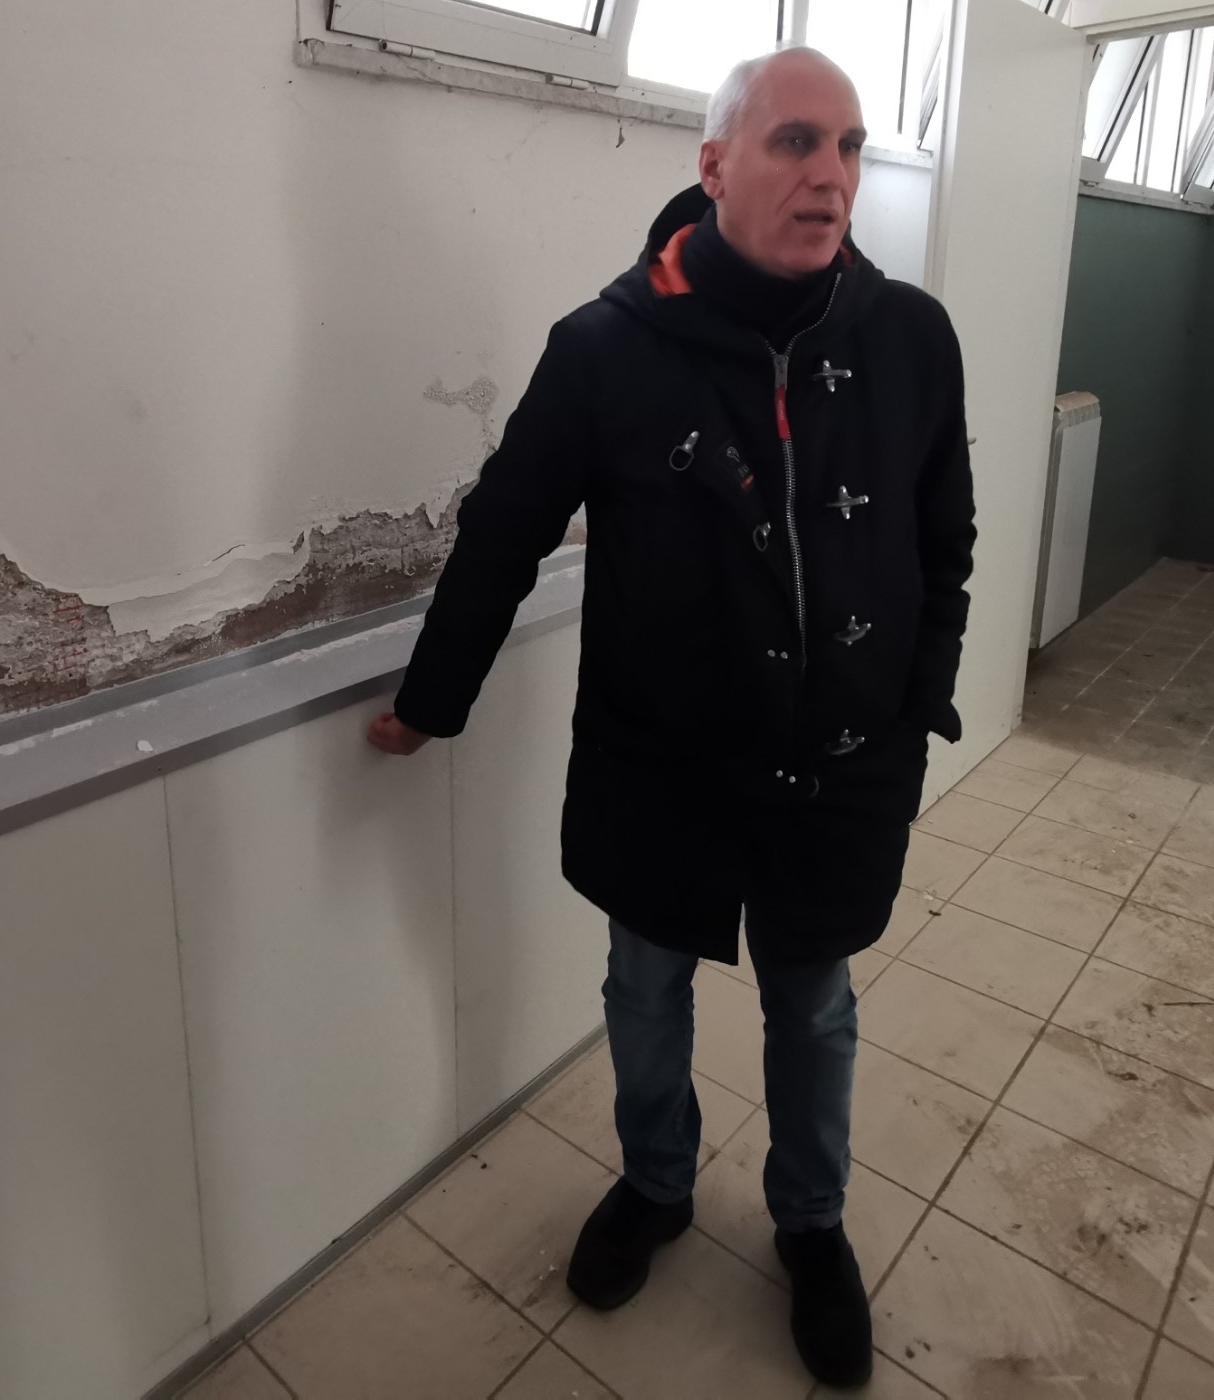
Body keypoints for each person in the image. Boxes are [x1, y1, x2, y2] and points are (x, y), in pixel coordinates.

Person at [365, 44, 974, 1386]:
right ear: (715, 165)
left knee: (812, 1005)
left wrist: (915, 698)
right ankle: (655, 1182)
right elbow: (505, 532)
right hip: (666, 764)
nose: (831, 175)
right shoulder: (606, 349)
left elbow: (945, 541)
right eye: (795, 142)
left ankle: (810, 1223)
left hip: (839, 763)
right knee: (645, 988)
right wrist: (430, 700)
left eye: (850, 147)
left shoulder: (910, 338)